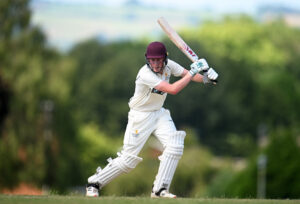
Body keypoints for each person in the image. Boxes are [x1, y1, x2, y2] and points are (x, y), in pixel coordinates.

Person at [86, 41, 218, 198]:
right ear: (147, 59)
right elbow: (173, 89)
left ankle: (160, 190)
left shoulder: (169, 66)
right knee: (128, 160)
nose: (155, 63)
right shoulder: (145, 74)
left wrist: (206, 77)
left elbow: (190, 76)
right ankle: (94, 182)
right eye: (152, 60)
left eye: (158, 60)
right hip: (140, 116)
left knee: (175, 145)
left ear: (165, 58)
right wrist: (193, 71)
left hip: (159, 113)